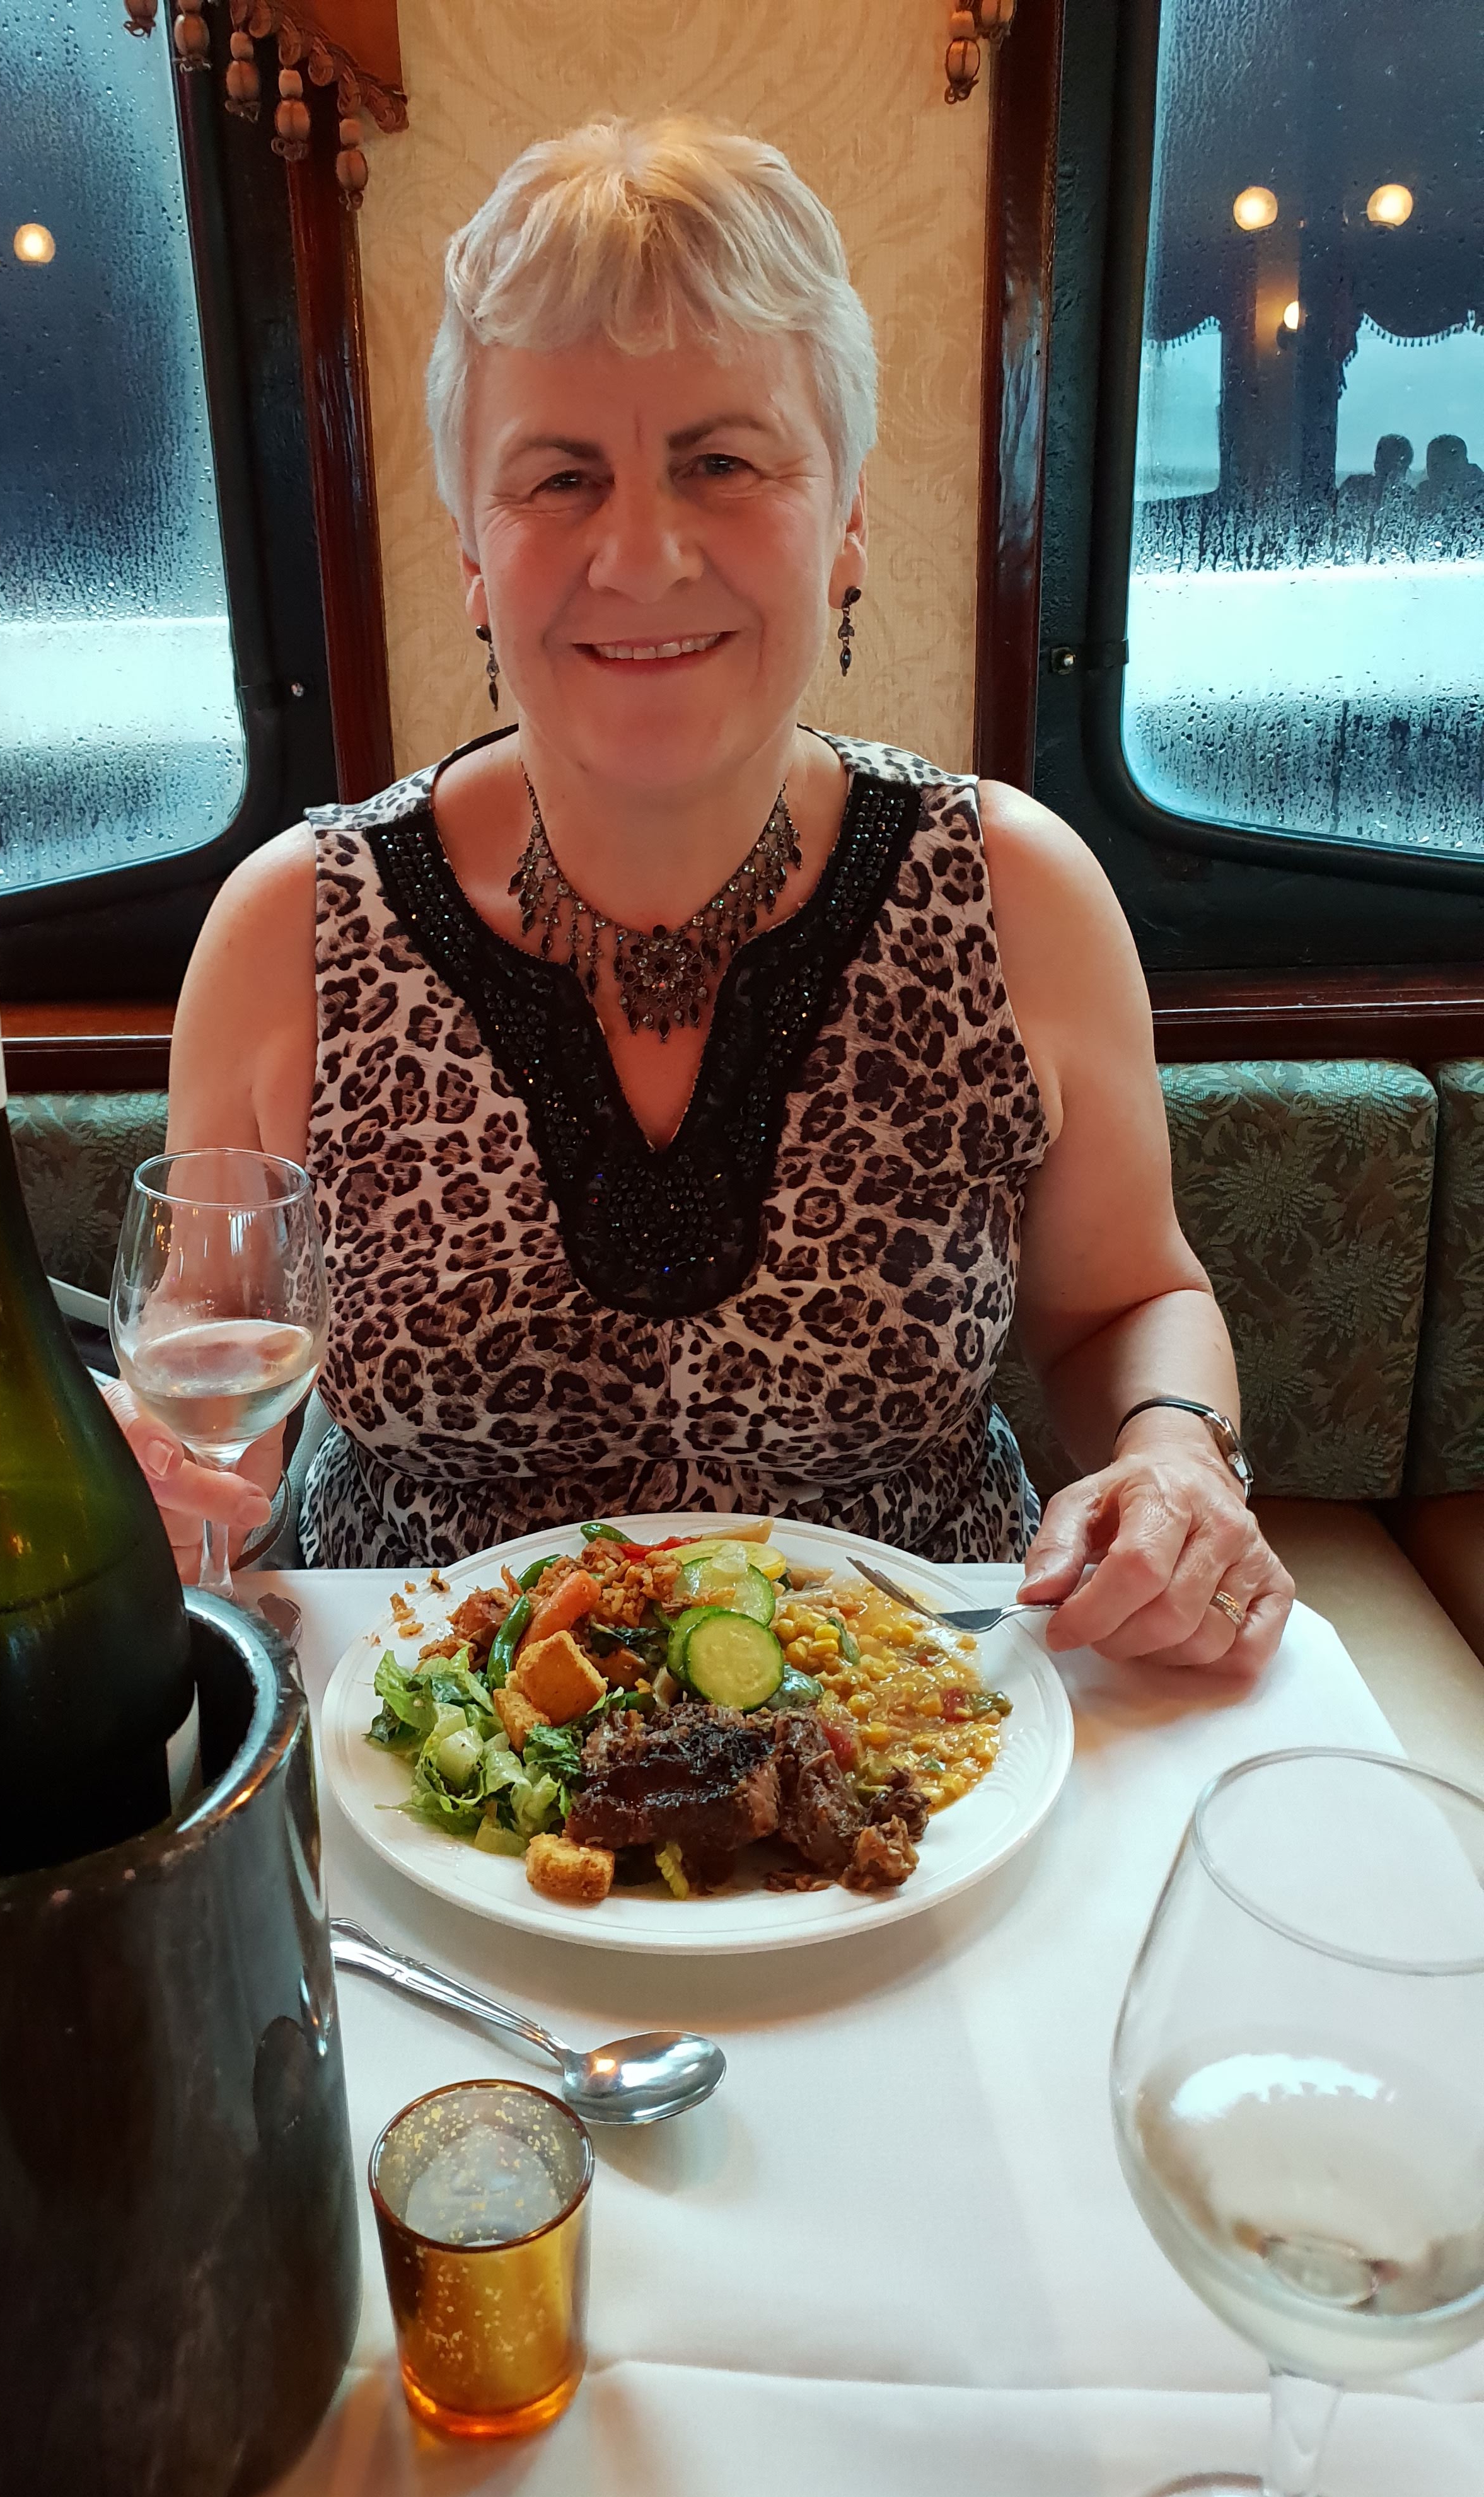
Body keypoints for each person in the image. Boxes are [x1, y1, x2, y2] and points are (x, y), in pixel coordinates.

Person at [136, 117, 1292, 1679]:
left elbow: (1127, 1302)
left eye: (722, 462)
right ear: (472, 551)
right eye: (560, 477)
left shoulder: (1017, 894)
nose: (642, 554)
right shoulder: (290, 930)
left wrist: (1174, 1451)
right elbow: (214, 1375)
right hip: (424, 1733)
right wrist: (155, 1474)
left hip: (919, 1723)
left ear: (849, 518)